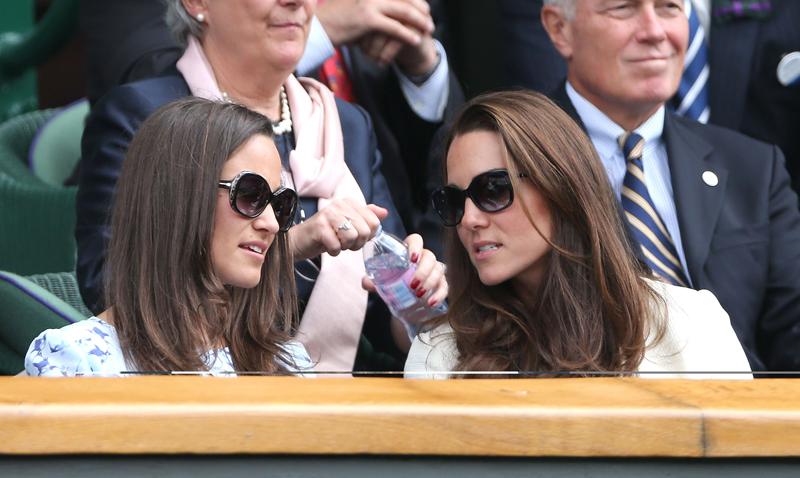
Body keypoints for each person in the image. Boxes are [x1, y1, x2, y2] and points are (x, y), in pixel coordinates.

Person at [76, 0, 447, 373]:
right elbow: (110, 285)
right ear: (197, 3)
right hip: (190, 389)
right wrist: (291, 247)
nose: (296, 2)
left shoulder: (346, 123)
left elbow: (387, 325)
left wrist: (415, 294)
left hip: (336, 399)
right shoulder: (145, 113)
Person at [404, 90, 751, 379]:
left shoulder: (692, 322)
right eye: (453, 201)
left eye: (493, 189)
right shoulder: (438, 352)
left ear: (560, 187)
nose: (469, 219)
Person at [539, 0, 800, 371]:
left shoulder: (753, 167)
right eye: (623, 9)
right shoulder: (507, 160)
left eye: (669, 8)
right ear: (559, 29)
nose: (654, 31)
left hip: (746, 416)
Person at [27, 98, 310, 376]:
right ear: (178, 198)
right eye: (250, 194)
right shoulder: (76, 361)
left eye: (280, 204)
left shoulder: (287, 361)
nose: (272, 223)